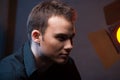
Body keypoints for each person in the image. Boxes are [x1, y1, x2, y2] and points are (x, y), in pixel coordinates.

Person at [0, 0, 81, 80]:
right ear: (36, 36)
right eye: (61, 38)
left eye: (71, 37)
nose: (70, 46)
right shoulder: (9, 74)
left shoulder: (67, 65)